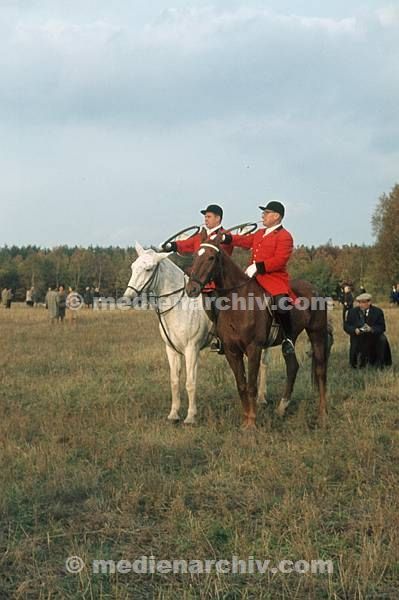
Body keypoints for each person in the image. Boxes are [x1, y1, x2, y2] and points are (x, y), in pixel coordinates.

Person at [222, 200, 295, 356]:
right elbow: (243, 241)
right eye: (264, 213)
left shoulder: (285, 236)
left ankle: (287, 339)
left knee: (282, 303)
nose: (263, 215)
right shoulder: (260, 233)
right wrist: (227, 238)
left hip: (274, 278)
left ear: (276, 216)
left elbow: (280, 259)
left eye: (266, 213)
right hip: (252, 277)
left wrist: (258, 266)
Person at [161, 204, 234, 353]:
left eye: (209, 216)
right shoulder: (200, 236)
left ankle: (219, 337)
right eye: (205, 217)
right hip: (196, 281)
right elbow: (186, 244)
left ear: (218, 218)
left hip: (214, 283)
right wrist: (173, 245)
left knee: (216, 305)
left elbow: (222, 259)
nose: (205, 219)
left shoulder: (225, 237)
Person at [344, 292, 392, 369]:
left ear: (369, 302)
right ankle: (356, 364)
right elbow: (346, 326)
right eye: (359, 302)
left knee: (382, 339)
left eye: (363, 302)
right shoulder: (352, 312)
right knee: (355, 342)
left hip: (373, 336)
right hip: (358, 336)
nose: (361, 305)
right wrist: (354, 330)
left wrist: (371, 329)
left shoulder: (378, 312)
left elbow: (382, 327)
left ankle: (380, 363)